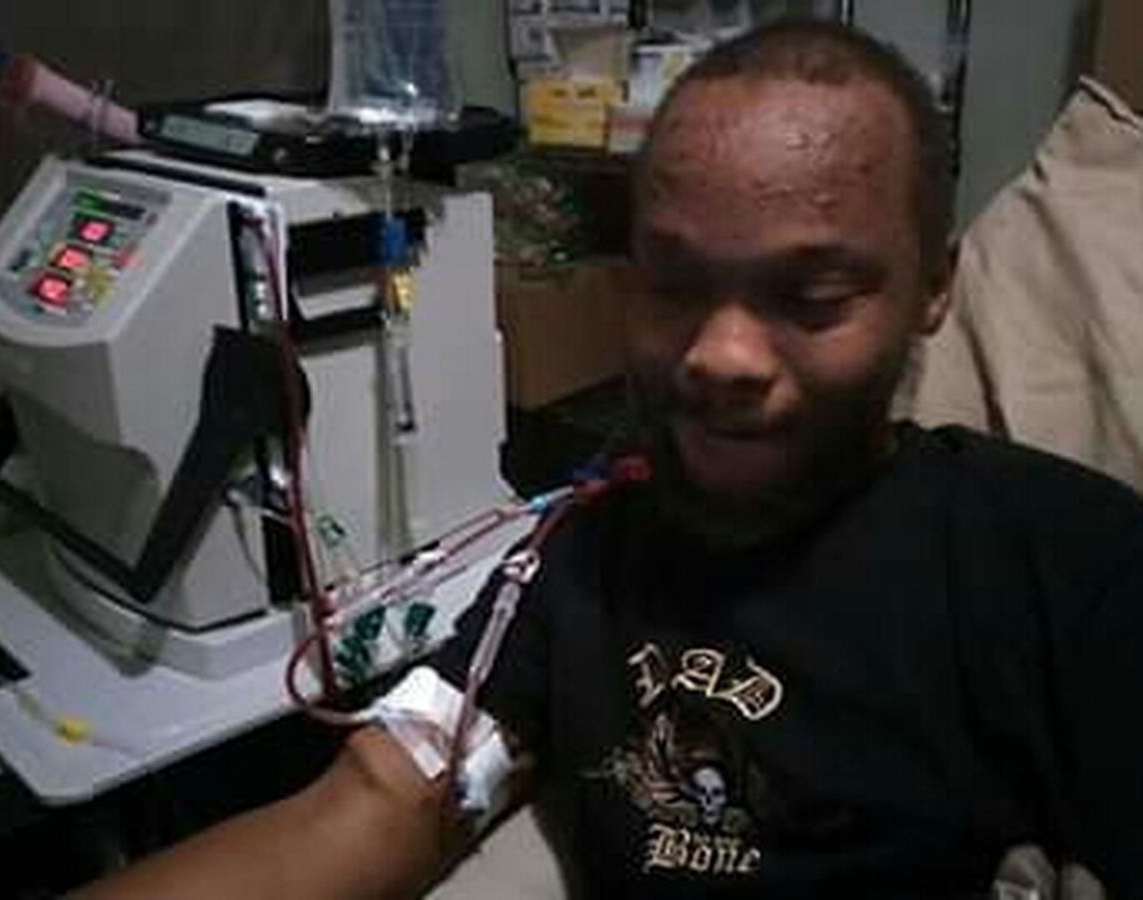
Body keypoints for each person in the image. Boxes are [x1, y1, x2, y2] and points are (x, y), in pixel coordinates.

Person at [74, 19, 1142, 899]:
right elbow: (377, 800)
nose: (722, 355)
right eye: (674, 284)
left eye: (812, 296)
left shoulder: (1059, 566)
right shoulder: (581, 557)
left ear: (934, 290)